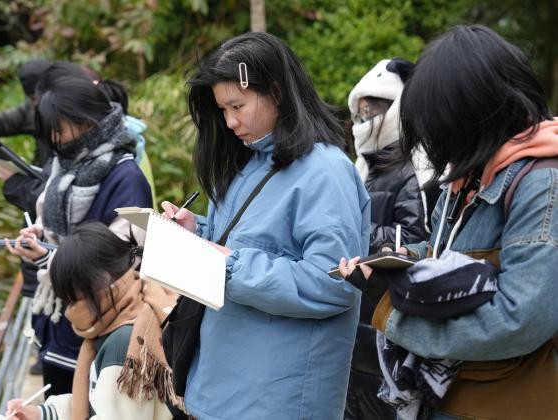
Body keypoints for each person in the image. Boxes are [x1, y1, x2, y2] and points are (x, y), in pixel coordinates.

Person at [338, 25, 558, 419]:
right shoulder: (470, 174)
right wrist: (394, 261)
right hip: (451, 398)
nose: (436, 141)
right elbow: (439, 251)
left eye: (441, 125)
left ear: (473, 112)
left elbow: (517, 321)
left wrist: (391, 313)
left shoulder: (542, 183)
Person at [160, 32, 370, 419]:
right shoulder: (248, 162)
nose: (229, 121)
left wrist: (229, 265)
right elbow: (250, 247)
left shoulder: (325, 171)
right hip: (223, 389)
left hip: (277, 400)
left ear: (276, 91)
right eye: (222, 109)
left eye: (237, 106)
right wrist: (197, 234)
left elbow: (335, 283)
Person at [5, 74, 153, 398]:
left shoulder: (128, 178)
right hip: (59, 322)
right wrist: (40, 235)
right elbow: (56, 228)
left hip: (98, 331)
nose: (55, 139)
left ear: (85, 120)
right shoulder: (66, 164)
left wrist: (48, 257)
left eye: (58, 130)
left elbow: (123, 265)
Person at [6, 222, 178, 420]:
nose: (70, 309)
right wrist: (40, 414)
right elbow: (100, 401)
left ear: (96, 283)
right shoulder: (138, 308)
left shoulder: (123, 345)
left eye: (71, 297)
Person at [344, 58, 430, 420]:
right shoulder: (364, 167)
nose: (364, 120)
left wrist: (353, 230)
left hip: (387, 320)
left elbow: (415, 239)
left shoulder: (414, 168)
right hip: (358, 316)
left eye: (373, 110)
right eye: (360, 112)